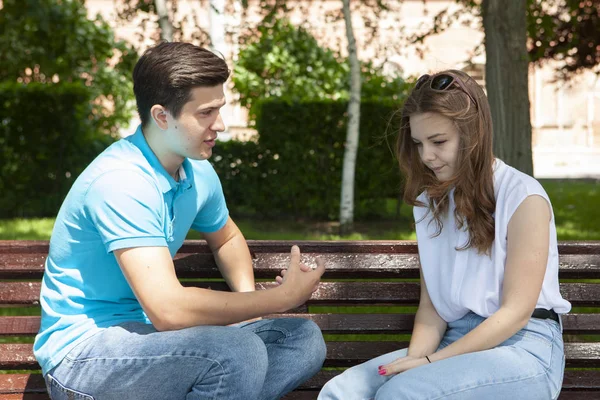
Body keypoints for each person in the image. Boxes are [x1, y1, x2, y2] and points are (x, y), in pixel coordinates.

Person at [34, 42, 326, 400]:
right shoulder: (122, 181)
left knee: (300, 340)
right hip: (84, 357)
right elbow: (168, 311)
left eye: (220, 108)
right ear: (161, 116)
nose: (220, 124)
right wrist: (279, 299)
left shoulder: (197, 173)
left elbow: (227, 238)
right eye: (206, 112)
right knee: (236, 351)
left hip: (155, 346)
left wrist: (248, 302)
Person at [317, 69, 571, 400]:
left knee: (402, 394)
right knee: (343, 392)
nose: (426, 156)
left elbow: (516, 313)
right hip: (456, 340)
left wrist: (429, 362)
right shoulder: (428, 204)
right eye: (419, 143)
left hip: (524, 346)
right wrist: (414, 360)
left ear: (474, 134)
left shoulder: (524, 197)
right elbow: (433, 308)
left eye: (438, 142)